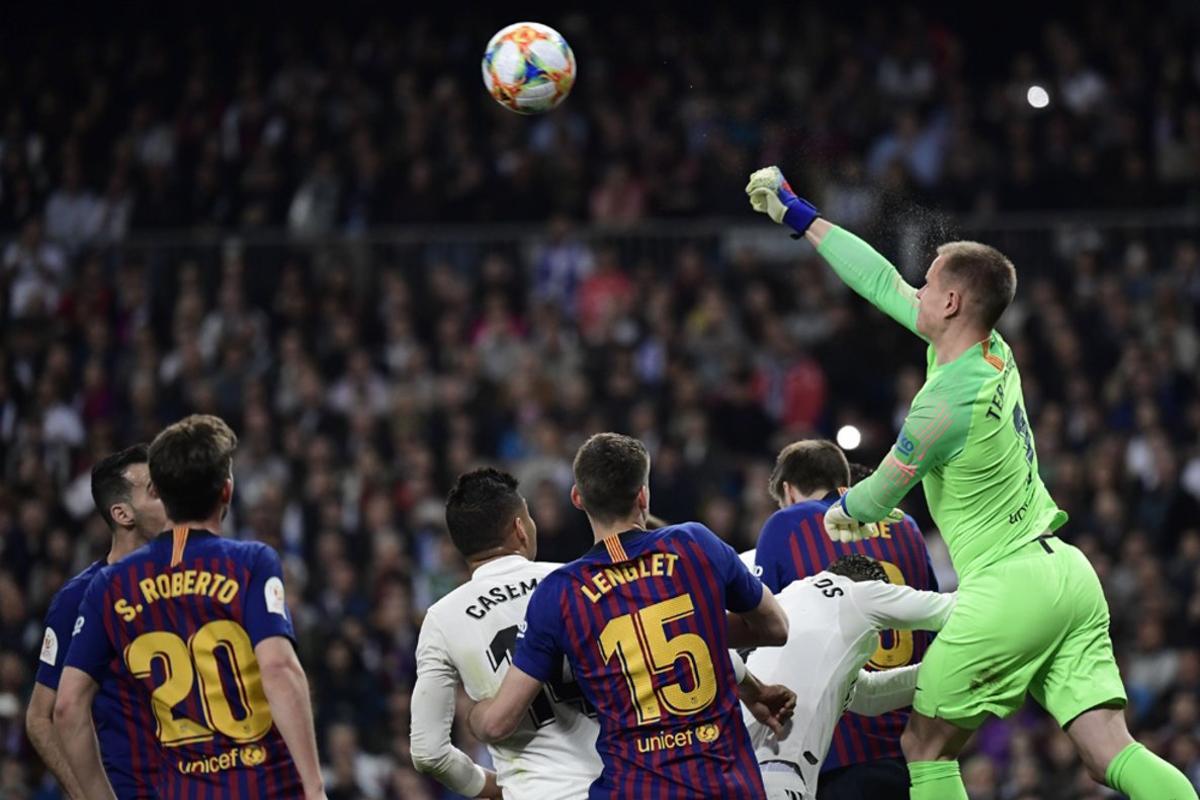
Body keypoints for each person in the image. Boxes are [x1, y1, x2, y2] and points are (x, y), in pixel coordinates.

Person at [746, 166, 1197, 800]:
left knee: (925, 745)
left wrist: (830, 515)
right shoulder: (988, 352)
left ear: (952, 301)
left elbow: (876, 498)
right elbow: (880, 281)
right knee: (1107, 751)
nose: (917, 290)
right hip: (1065, 573)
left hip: (1008, 586)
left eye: (928, 284)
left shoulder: (941, 403)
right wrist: (803, 218)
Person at [468, 432, 793, 799]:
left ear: (577, 497)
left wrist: (475, 714)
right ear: (643, 495)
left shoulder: (560, 593)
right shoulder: (695, 544)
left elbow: (498, 724)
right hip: (728, 786)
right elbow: (776, 627)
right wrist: (695, 623)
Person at [54, 415, 326, 800]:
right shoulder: (251, 562)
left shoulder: (111, 584)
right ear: (226, 491)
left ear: (162, 494)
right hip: (267, 786)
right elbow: (279, 668)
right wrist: (314, 788)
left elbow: (66, 707)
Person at [754, 442, 938, 800]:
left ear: (789, 491)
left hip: (835, 748)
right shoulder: (907, 526)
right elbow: (929, 625)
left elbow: (764, 629)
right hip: (909, 741)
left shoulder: (787, 524)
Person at [411, 467, 602, 799]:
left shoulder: (442, 618)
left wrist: (495, 788)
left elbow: (429, 752)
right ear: (520, 528)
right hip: (619, 783)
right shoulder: (577, 581)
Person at [743, 555, 955, 800]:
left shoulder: (789, 595)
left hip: (732, 771)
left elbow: (868, 695)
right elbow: (950, 608)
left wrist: (934, 671)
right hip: (778, 775)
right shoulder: (860, 593)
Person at [26, 444, 167, 799]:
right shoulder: (79, 598)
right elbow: (40, 718)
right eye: (155, 489)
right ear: (122, 514)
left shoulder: (187, 585)